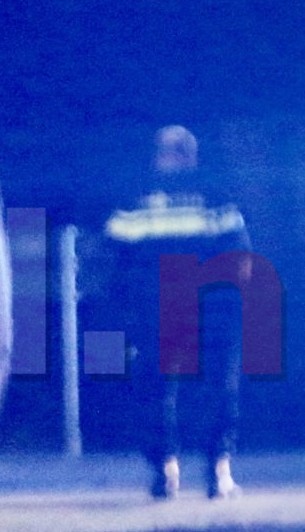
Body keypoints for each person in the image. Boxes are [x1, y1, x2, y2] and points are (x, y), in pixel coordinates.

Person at [103, 124, 252, 499]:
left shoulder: (137, 198)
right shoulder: (214, 197)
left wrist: (126, 307)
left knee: (165, 389)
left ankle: (186, 469)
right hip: (205, 306)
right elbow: (238, 252)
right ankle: (200, 470)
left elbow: (114, 257)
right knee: (211, 388)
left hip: (167, 307)